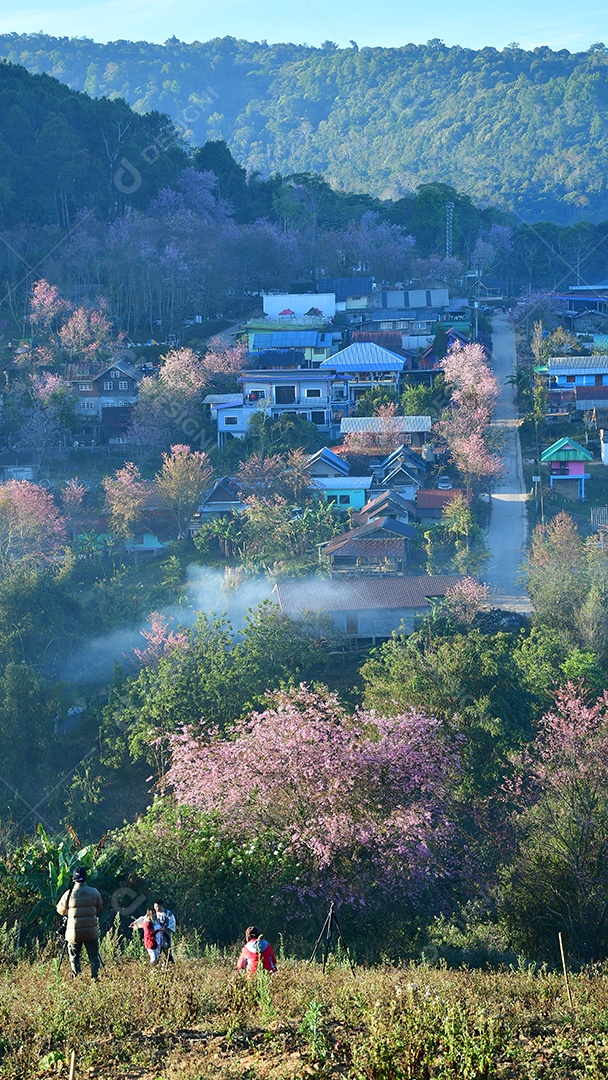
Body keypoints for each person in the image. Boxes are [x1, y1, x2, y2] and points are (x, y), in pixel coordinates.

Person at [56, 866, 103, 979]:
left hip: (74, 933)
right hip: (91, 931)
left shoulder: (69, 893)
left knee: (74, 957)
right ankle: (95, 979)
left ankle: (77, 979)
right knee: (93, 957)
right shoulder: (94, 892)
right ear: (86, 878)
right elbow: (99, 907)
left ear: (73, 880)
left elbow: (61, 910)